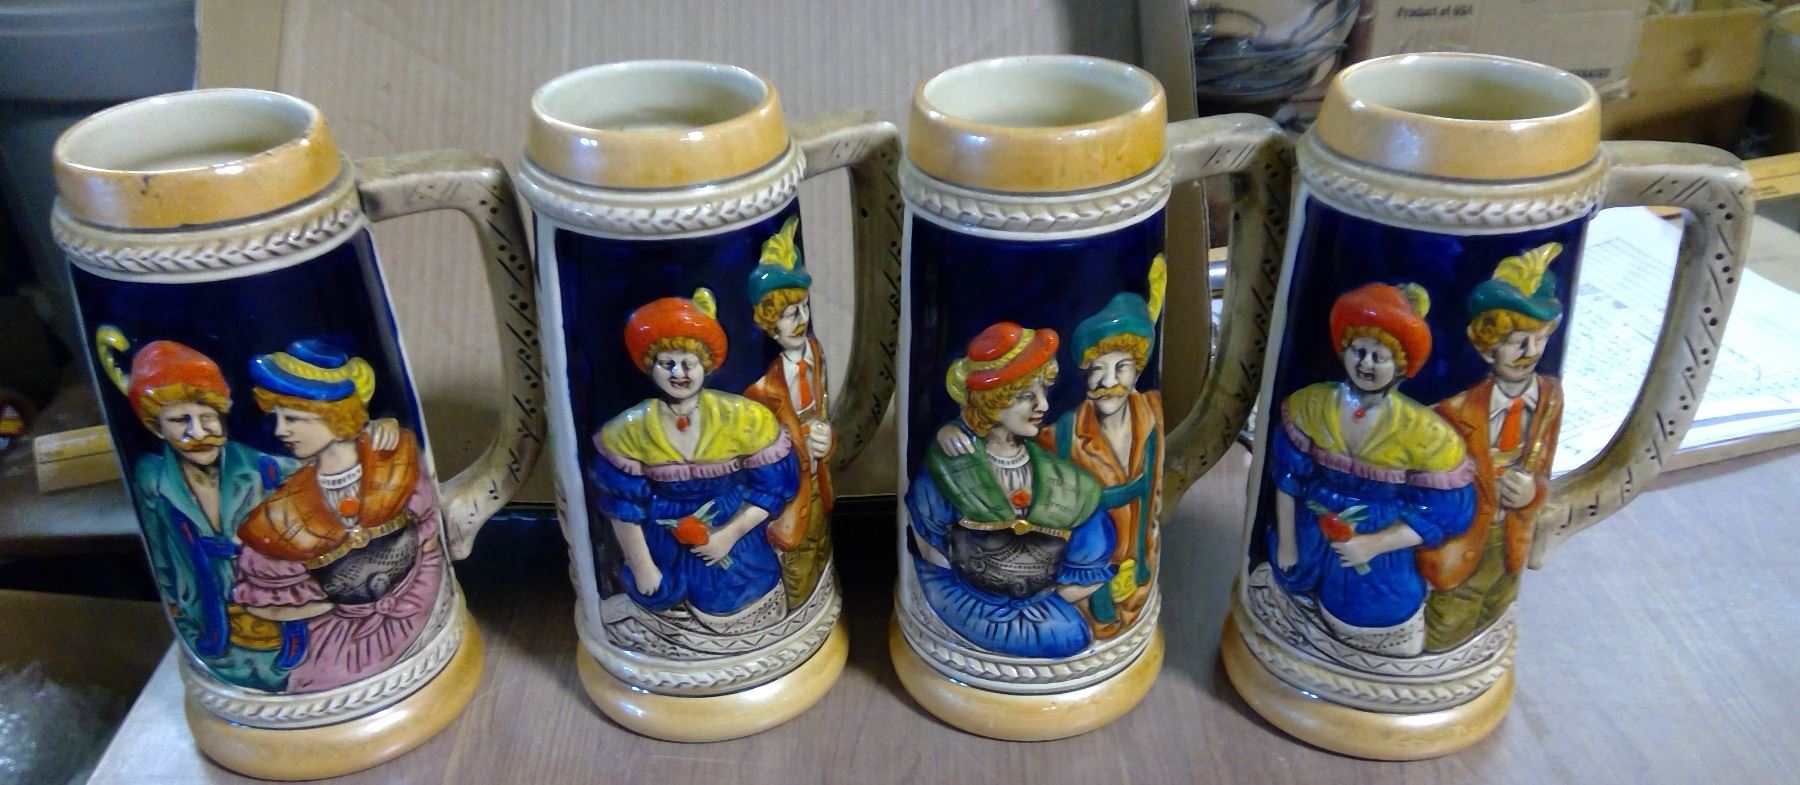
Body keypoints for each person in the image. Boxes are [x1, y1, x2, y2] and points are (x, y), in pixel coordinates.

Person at [935, 281, 1167, 640]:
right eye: (1097, 369)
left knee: (1069, 633)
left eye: (1122, 367)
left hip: (1122, 578)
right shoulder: (1059, 438)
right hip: (990, 593)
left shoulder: (1150, 416)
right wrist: (954, 429)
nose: (1108, 381)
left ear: (1138, 369)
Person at [1268, 283, 1476, 657]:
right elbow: (1288, 479)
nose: (1366, 364)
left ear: (1401, 365)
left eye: (1379, 357)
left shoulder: (1422, 432)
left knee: (1376, 608)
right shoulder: (1312, 405)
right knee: (1290, 587)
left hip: (1377, 541)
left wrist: (1372, 544)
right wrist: (1287, 543)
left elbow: (1446, 512)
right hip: (1311, 531)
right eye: (1359, 352)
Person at [233, 340, 442, 693]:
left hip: (421, 605)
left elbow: (429, 537)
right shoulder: (282, 511)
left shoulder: (395, 461)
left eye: (292, 418)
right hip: (342, 642)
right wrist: (342, 605)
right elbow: (265, 604)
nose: (281, 430)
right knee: (312, 682)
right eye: (278, 418)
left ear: (333, 416)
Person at [98, 327, 299, 691]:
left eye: (208, 418)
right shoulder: (154, 481)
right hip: (208, 631)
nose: (199, 431)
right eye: (180, 421)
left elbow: (329, 474)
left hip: (282, 631)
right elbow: (161, 549)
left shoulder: (266, 469)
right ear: (157, 428)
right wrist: (177, 602)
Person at [905, 322, 1116, 659]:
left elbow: (1091, 562)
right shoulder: (950, 470)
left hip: (1044, 609)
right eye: (1025, 396)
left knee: (1069, 635)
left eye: (1043, 392)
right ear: (993, 401)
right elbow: (929, 545)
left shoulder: (1070, 482)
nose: (1043, 405)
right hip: (962, 600)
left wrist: (1043, 601)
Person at [592, 288, 800, 630]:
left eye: (689, 363)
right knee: (657, 592)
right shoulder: (631, 429)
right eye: (667, 364)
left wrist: (727, 536)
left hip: (732, 528)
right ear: (651, 367)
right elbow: (622, 506)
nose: (679, 373)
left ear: (706, 365)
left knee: (738, 592)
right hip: (661, 536)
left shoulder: (742, 417)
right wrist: (642, 565)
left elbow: (772, 488)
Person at [1420, 244, 1566, 651]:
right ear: (1487, 347)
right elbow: (1427, 489)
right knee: (1447, 633)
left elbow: (1544, 470)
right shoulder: (1451, 414)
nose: (1530, 352)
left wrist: (1534, 493)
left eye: (1539, 339)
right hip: (1461, 551)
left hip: (1512, 544)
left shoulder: (1550, 397)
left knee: (1491, 623)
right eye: (1517, 341)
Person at [742, 217, 836, 609]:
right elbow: (758, 460)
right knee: (797, 562)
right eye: (788, 313)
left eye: (803, 308)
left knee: (819, 548)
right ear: (769, 324)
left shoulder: (815, 355)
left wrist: (828, 442)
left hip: (818, 483)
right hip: (789, 496)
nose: (801, 319)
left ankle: (814, 608)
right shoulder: (762, 392)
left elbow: (823, 415)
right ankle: (797, 614)